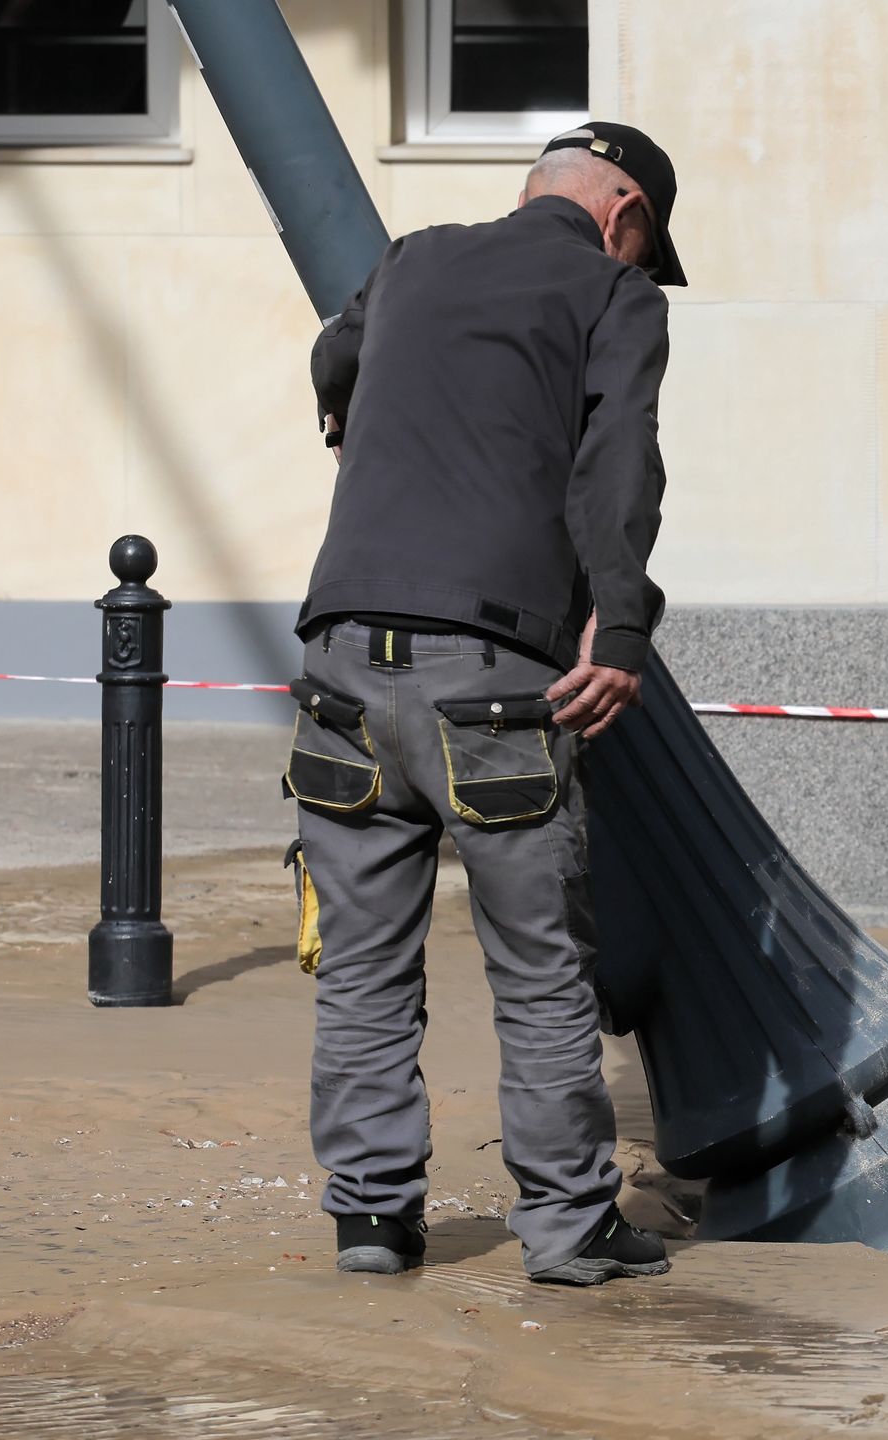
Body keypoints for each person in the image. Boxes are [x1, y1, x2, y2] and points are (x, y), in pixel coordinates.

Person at [282, 122, 684, 1285]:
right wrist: (623, 621)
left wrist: (349, 419)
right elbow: (621, 461)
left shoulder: (413, 258)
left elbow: (332, 356)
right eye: (645, 244)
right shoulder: (617, 295)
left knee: (362, 963)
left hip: (344, 659)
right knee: (540, 967)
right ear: (625, 215)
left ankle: (370, 1219)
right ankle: (567, 1230)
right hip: (497, 678)